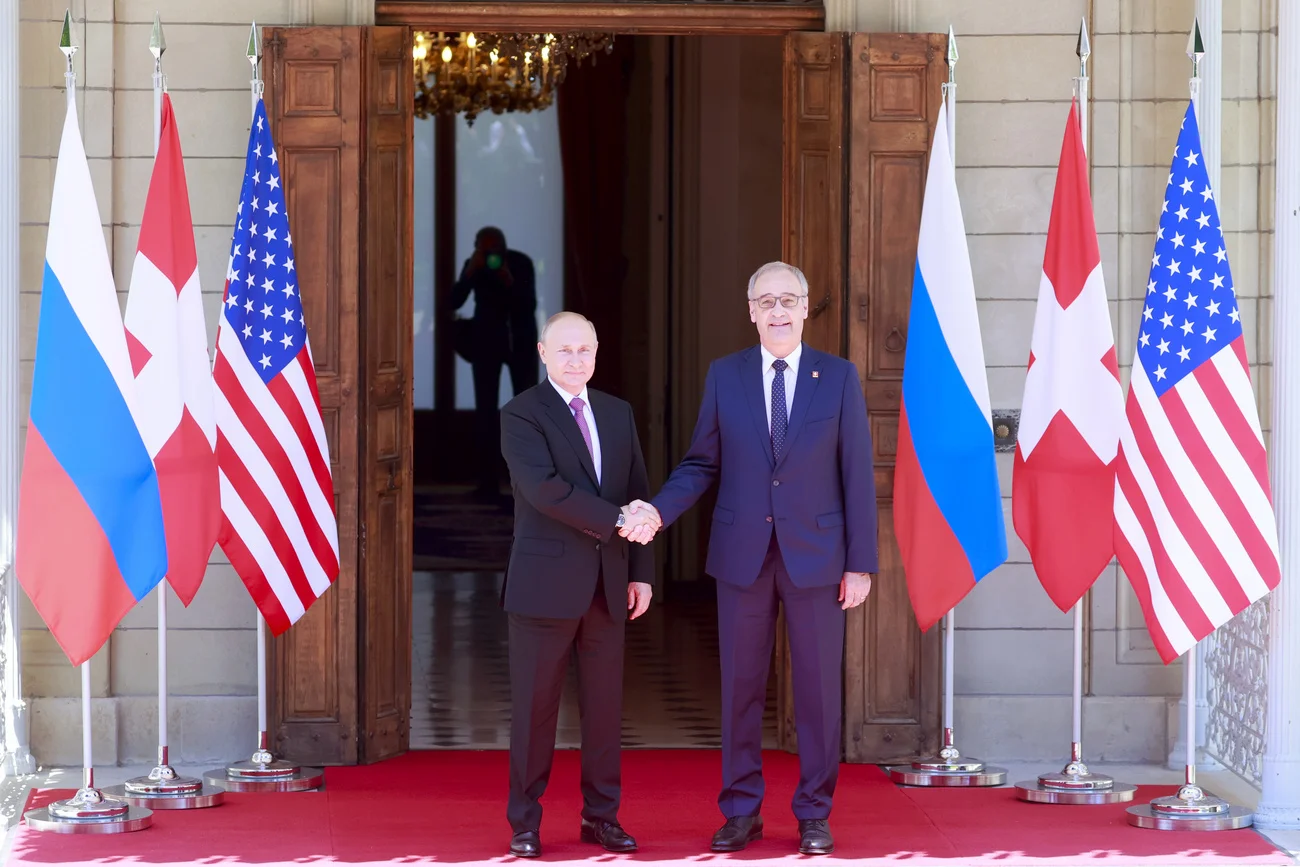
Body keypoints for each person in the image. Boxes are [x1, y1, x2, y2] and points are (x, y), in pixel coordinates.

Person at [624, 261, 877, 856]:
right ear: (751, 311)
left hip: (819, 557)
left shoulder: (837, 377)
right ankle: (741, 812)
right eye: (767, 301)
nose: (778, 310)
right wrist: (658, 512)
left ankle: (814, 813)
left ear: (806, 308)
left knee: (817, 693)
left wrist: (859, 562)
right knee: (739, 690)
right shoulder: (724, 375)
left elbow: (856, 475)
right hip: (742, 557)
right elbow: (700, 463)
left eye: (789, 299)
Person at [498, 311, 659, 858]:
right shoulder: (522, 412)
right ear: (542, 353)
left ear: (596, 353)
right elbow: (544, 491)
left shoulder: (617, 413)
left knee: (605, 709)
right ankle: (525, 823)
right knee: (535, 710)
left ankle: (602, 817)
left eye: (584, 350)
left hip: (609, 584)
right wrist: (617, 520)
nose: (575, 360)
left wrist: (641, 573)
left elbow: (638, 490)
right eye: (563, 350)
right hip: (544, 585)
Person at [452, 226, 540, 497]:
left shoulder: (520, 263)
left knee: (526, 414)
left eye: (494, 248)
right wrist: (469, 273)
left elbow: (529, 305)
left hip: (519, 342)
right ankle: (487, 482)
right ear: (477, 248)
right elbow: (454, 301)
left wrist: (509, 280)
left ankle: (528, 484)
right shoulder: (474, 266)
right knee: (485, 413)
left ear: (503, 246)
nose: (490, 254)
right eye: (484, 248)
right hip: (486, 343)